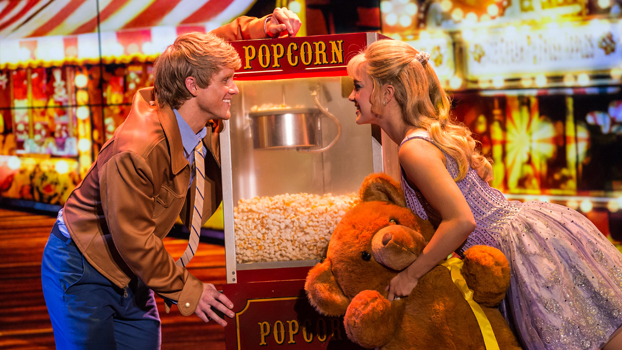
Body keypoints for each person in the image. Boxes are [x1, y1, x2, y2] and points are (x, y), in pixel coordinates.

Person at [41, 8, 301, 350]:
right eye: (226, 81)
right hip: (82, 267)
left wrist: (261, 27)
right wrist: (191, 291)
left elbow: (206, 50)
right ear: (193, 86)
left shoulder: (185, 98)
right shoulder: (136, 150)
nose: (234, 89)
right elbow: (133, 238)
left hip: (132, 272)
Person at [346, 38, 622, 350]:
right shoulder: (419, 140)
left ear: (387, 92)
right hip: (529, 234)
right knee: (601, 331)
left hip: (519, 249)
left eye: (358, 86)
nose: (352, 96)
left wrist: (410, 275)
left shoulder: (412, 148)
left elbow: (461, 221)